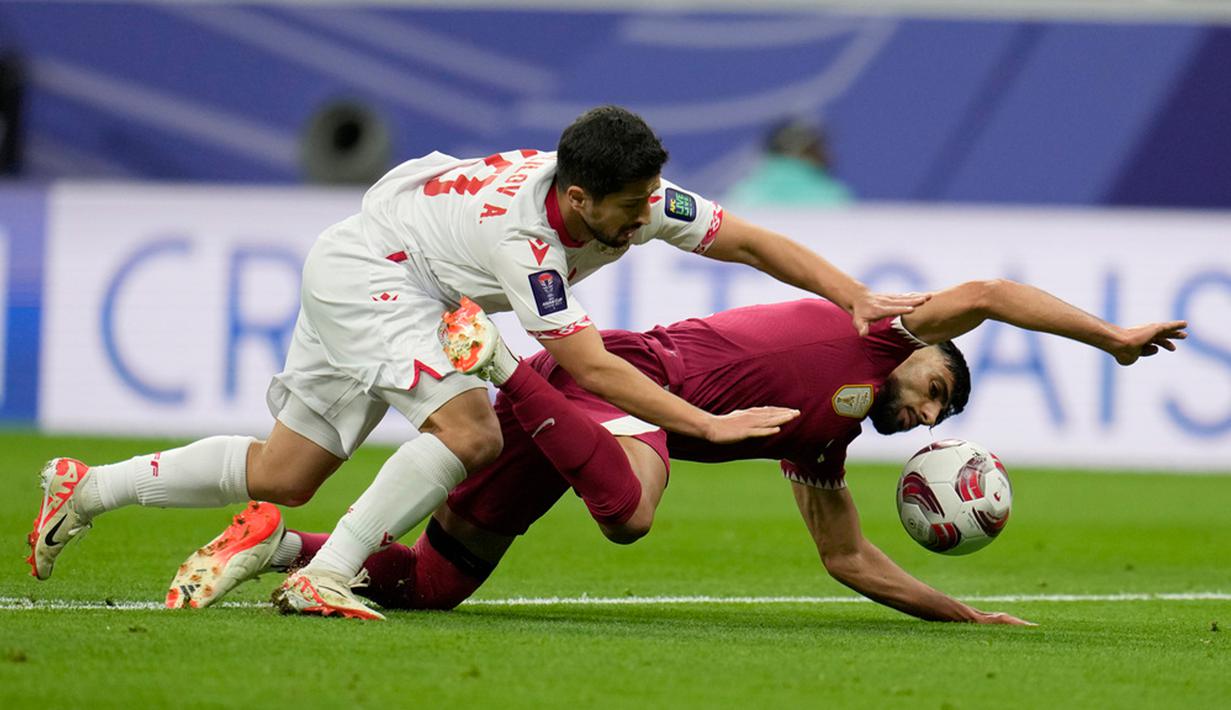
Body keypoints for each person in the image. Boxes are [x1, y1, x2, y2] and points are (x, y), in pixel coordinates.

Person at [27, 105, 925, 620]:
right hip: (378, 277)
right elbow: (593, 369)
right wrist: (707, 425)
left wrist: (850, 295)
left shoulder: (632, 195)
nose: (644, 218)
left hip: (374, 256)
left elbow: (752, 241)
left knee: (285, 473)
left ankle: (87, 487)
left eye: (651, 198)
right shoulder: (526, 243)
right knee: (472, 432)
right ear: (579, 197)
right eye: (628, 207)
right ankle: (325, 577)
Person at [168, 279, 1186, 623]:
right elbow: (996, 295)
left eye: (936, 417)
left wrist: (962, 611)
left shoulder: (824, 439)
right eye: (935, 391)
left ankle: (276, 545)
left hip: (583, 423)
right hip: (612, 379)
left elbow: (846, 557)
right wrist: (1110, 338)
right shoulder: (883, 327)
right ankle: (504, 356)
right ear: (921, 353)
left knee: (438, 581)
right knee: (634, 510)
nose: (924, 416)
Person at [724, 117, 853, 208]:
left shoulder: (741, 194)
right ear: (799, 151)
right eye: (816, 148)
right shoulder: (833, 197)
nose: (827, 155)